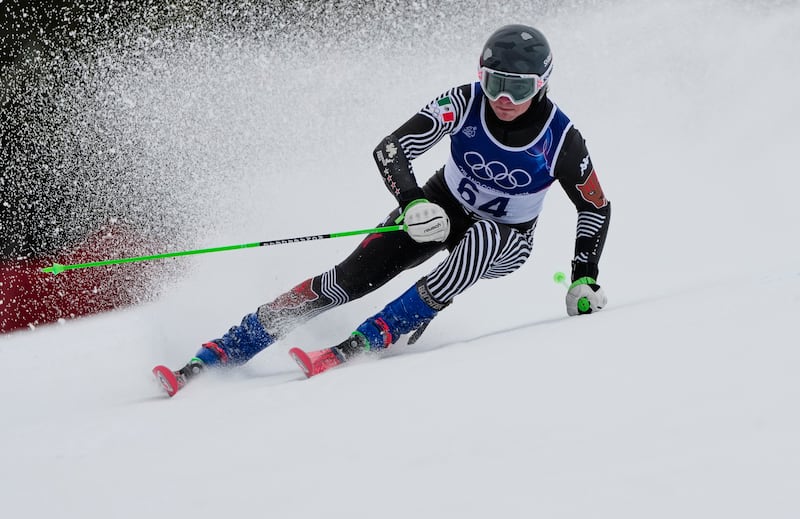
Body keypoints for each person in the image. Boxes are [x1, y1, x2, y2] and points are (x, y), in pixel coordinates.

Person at [153, 24, 611, 396]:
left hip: (508, 240)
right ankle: (220, 351)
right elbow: (392, 149)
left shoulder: (561, 138)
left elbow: (594, 207)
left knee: (483, 238)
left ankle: (372, 335)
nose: (503, 100)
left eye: (518, 88)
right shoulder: (465, 101)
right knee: (345, 280)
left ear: (542, 83)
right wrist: (411, 202)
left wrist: (583, 276)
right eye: (494, 84)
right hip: (438, 207)